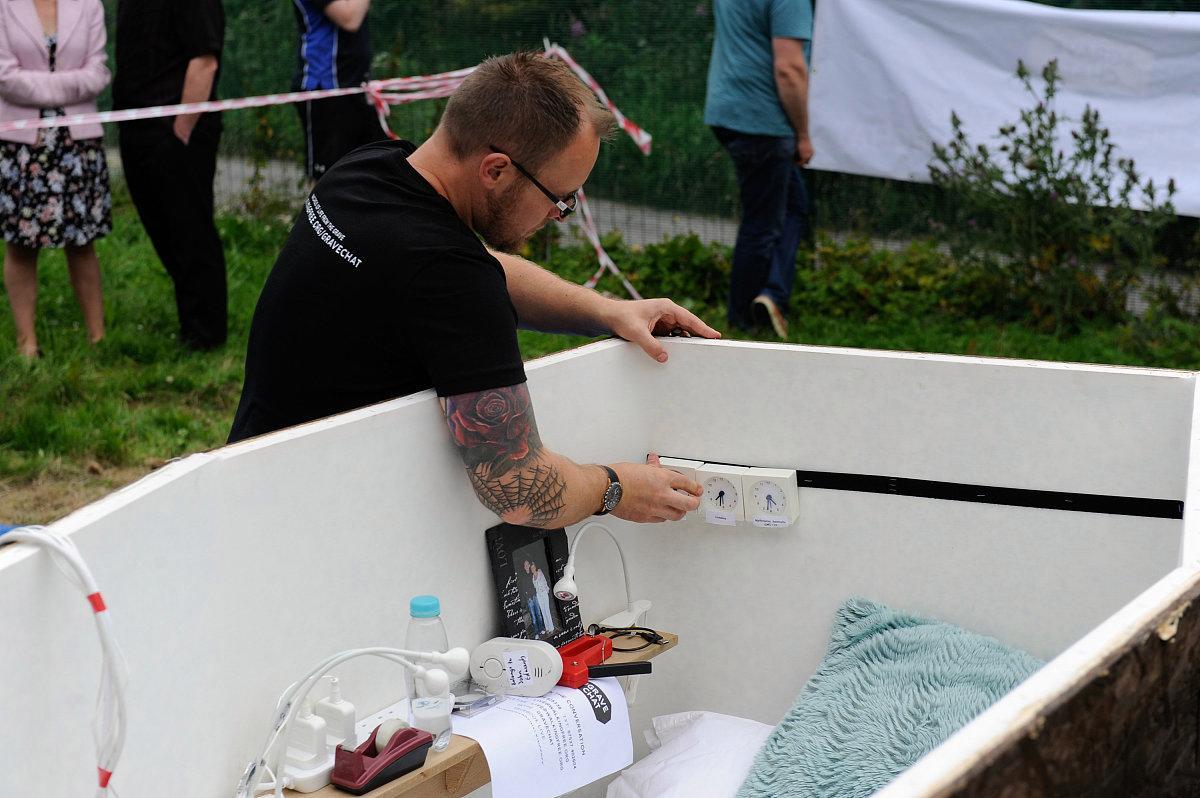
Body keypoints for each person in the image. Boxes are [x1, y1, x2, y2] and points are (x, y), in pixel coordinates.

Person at [229, 52, 717, 529]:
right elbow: (521, 490)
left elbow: (472, 263)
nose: (560, 215)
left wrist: (605, 311)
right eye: (560, 197)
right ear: (496, 170)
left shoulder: (366, 170)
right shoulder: (451, 280)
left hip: (243, 485)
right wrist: (617, 487)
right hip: (310, 530)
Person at [112, 0, 227, 350]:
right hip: (136, 128)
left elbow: (205, 60)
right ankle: (192, 322)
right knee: (164, 229)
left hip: (176, 132)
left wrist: (181, 131)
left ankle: (205, 335)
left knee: (190, 231)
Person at [0, 0, 111, 358]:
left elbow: (98, 74)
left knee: (83, 243)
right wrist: (69, 86)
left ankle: (99, 339)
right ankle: (27, 344)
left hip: (77, 144)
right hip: (21, 146)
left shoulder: (89, 5)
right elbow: (5, 77)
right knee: (20, 245)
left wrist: (39, 85)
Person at [704, 0, 814, 338]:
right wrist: (803, 133)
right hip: (763, 120)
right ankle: (744, 318)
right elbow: (789, 69)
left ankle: (771, 295)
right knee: (762, 223)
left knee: (794, 205)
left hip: (727, 109)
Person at [292, 0, 384, 181]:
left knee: (376, 169)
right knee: (327, 178)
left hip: (356, 87)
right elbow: (349, 18)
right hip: (325, 89)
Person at [532, 564, 555, 634]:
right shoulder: (532, 577)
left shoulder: (540, 572)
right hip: (538, 595)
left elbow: (545, 581)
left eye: (533, 567)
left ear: (535, 567)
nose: (532, 569)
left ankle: (551, 628)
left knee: (547, 610)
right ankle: (547, 628)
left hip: (544, 593)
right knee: (543, 611)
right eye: (531, 568)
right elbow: (535, 587)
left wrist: (546, 590)